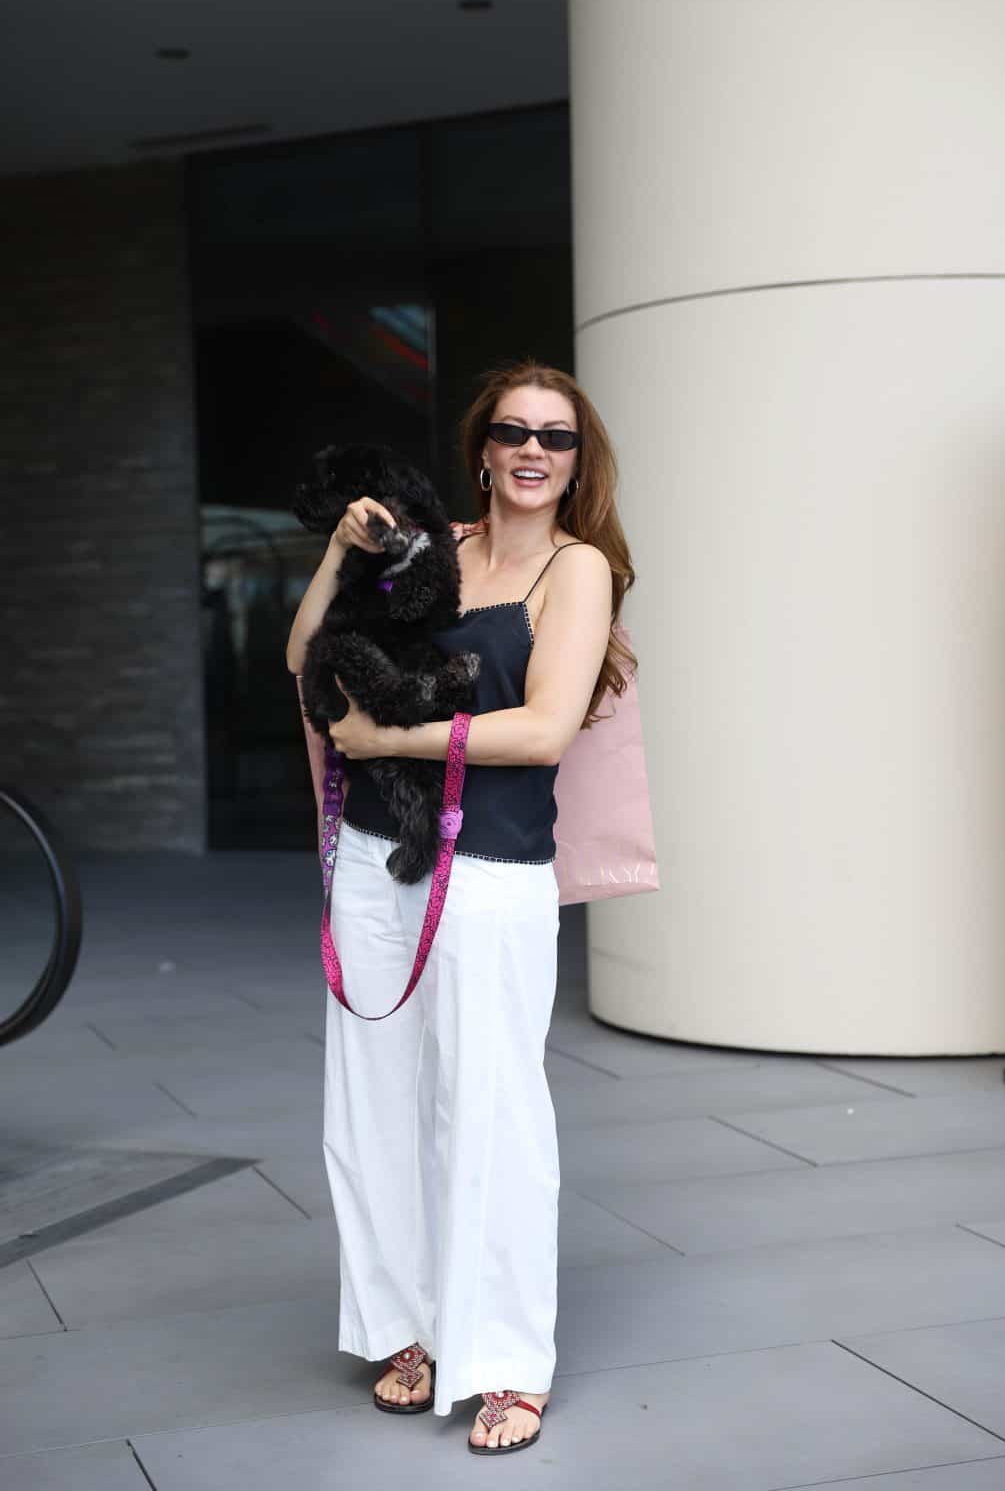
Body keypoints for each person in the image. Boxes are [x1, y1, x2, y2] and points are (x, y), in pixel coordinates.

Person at [285, 359, 636, 1454]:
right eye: (513, 431)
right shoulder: (435, 549)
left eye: (556, 436)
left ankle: (505, 1360)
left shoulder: (576, 570)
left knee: (490, 1108)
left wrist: (389, 735)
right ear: (481, 449)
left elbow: (542, 730)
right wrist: (341, 553)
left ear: (577, 461)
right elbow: (303, 656)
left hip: (487, 869)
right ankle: (407, 1329)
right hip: (373, 859)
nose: (534, 450)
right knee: (373, 1103)